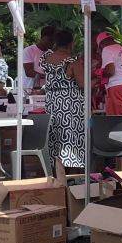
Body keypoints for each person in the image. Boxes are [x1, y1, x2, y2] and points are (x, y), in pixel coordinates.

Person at [41, 30, 86, 170]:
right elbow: (83, 84)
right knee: (71, 138)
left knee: (55, 136)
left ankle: (56, 170)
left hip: (52, 102)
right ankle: (72, 172)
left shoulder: (46, 58)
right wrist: (97, 79)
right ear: (71, 44)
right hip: (70, 104)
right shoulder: (72, 62)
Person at [21, 26, 55, 90]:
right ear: (42, 37)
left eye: (54, 40)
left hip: (45, 92)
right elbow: (29, 72)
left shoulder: (52, 54)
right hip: (29, 91)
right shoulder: (29, 50)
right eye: (49, 39)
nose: (52, 42)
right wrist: (48, 76)